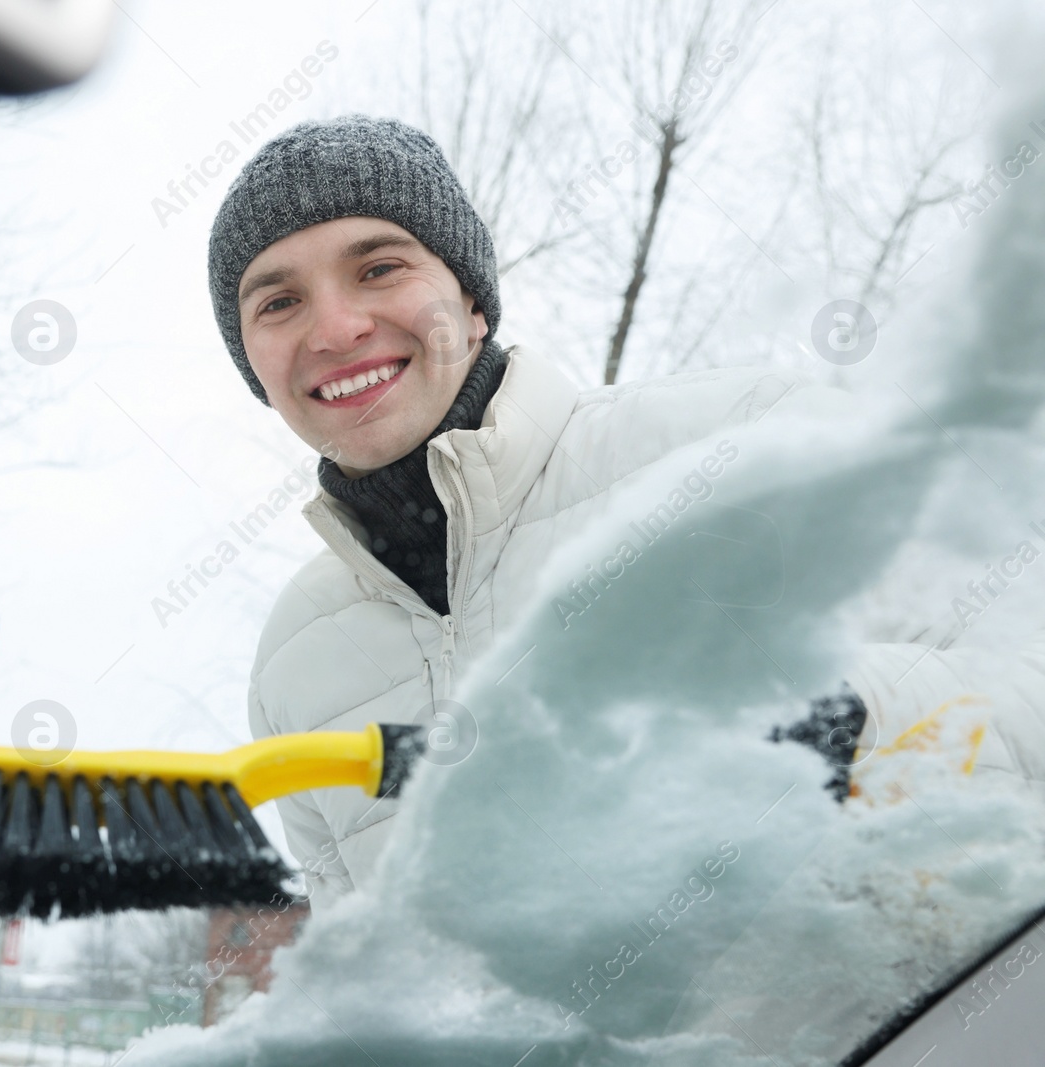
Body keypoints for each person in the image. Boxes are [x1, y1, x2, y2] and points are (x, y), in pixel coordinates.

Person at [205, 113, 1045, 903]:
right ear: (253, 365)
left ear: (470, 301)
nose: (336, 326)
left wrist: (838, 719)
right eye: (279, 301)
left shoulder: (744, 444)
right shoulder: (295, 661)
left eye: (379, 268)